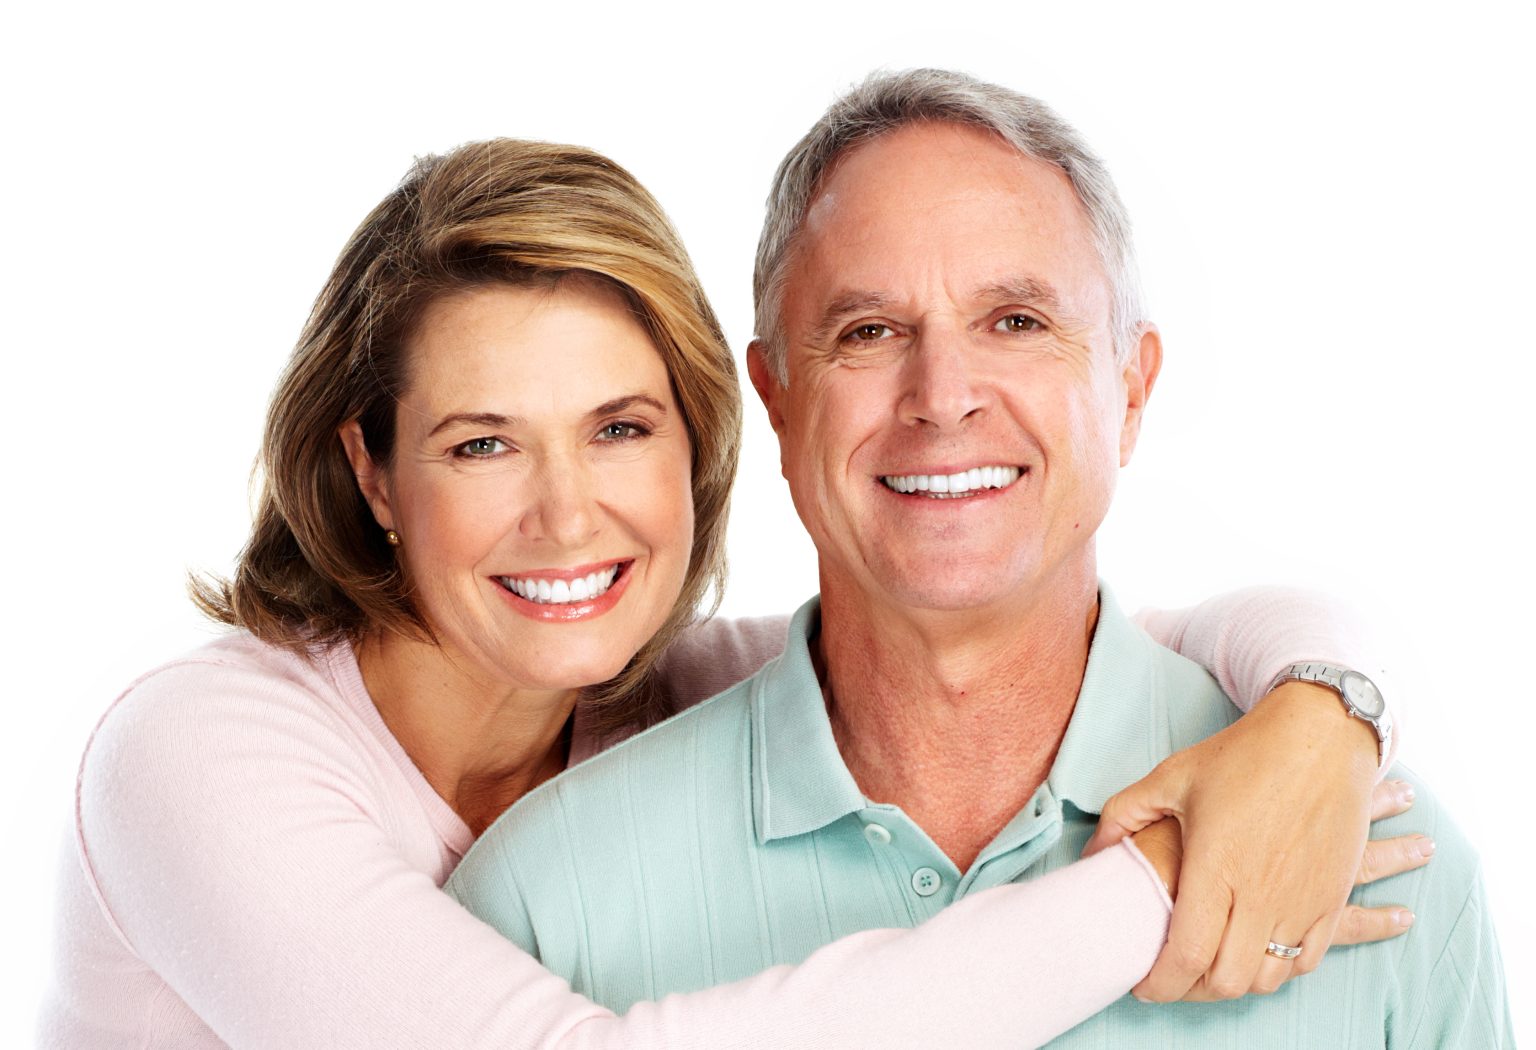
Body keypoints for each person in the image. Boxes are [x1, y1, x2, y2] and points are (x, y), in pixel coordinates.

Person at [42, 136, 1422, 1050]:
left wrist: (1322, 721)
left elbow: (1143, 640)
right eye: (482, 444)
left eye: (619, 428)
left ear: (703, 440)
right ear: (373, 471)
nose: (567, 513)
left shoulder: (655, 695)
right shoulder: (196, 754)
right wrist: (1177, 876)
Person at [447, 71, 1513, 1047]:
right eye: (868, 332)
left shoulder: (1377, 864)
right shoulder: (541, 906)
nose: (943, 395)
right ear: (776, 400)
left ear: (1131, 390)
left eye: (1015, 320)